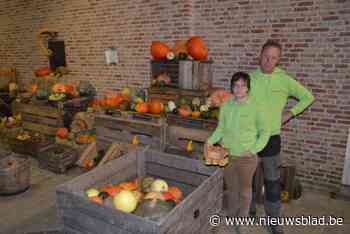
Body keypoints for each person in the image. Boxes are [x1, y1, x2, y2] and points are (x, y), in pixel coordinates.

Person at [249, 40, 315, 234]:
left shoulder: (285, 80)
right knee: (249, 177)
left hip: (271, 140)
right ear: (260, 56)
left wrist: (289, 113)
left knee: (272, 183)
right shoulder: (249, 78)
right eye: (266, 56)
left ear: (279, 60)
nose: (269, 61)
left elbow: (308, 97)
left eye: (274, 58)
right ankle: (249, 209)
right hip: (250, 138)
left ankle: (273, 222)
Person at [205, 72, 270, 233]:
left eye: (242, 85)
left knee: (245, 190)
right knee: (232, 188)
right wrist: (210, 140)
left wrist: (254, 149)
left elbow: (265, 132)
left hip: (247, 157)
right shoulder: (226, 105)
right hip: (227, 154)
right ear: (232, 87)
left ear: (248, 88)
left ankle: (242, 218)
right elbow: (221, 128)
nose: (239, 88)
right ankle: (232, 214)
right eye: (236, 85)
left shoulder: (256, 106)